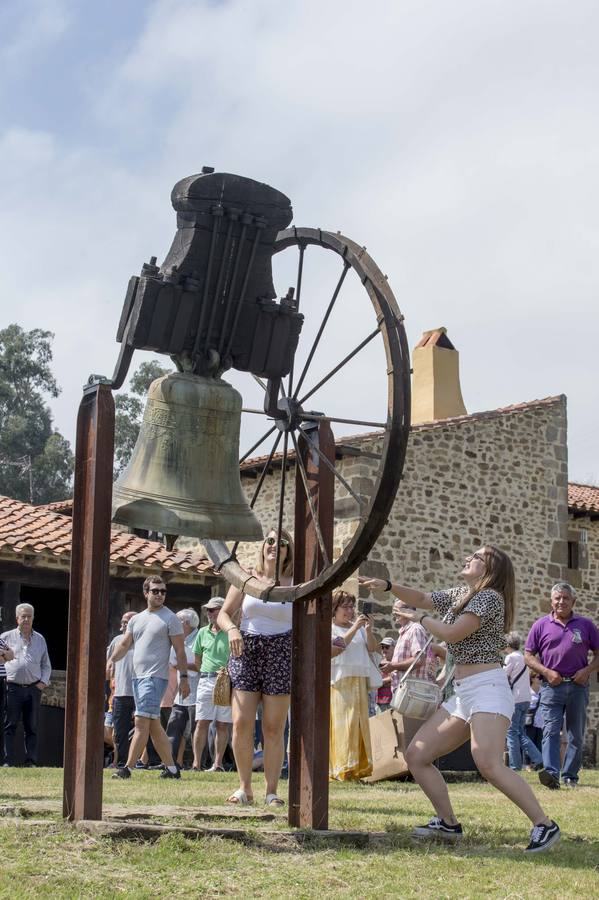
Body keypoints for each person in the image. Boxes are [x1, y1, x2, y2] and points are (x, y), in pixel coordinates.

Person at [359, 547, 561, 854]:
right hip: (464, 691)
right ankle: (448, 823)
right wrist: (389, 586)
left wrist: (421, 619)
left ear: (490, 569)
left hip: (488, 688)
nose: (468, 556)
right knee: (417, 755)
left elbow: (452, 633)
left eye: (477, 556)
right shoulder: (462, 593)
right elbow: (425, 598)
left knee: (487, 762)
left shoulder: (488, 597)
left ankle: (544, 824)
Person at [217, 527, 294, 806]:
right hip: (246, 648)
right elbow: (224, 615)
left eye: (281, 543)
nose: (274, 546)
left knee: (274, 728)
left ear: (288, 549)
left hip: (281, 651)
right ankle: (244, 788)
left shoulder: (295, 582)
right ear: (263, 546)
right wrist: (232, 631)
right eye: (270, 541)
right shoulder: (246, 577)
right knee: (241, 723)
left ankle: (271, 791)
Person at [108, 576, 189, 780]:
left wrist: (184, 678)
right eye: (155, 591)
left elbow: (180, 651)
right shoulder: (136, 619)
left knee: (141, 722)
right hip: (138, 678)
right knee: (153, 724)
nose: (160, 594)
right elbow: (125, 644)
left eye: (163, 591)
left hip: (155, 678)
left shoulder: (170, 618)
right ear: (146, 593)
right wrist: (111, 660)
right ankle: (172, 769)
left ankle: (127, 768)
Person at [524, 581, 599, 789]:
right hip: (551, 686)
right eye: (558, 597)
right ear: (551, 601)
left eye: (566, 598)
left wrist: (586, 671)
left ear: (573, 601)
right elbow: (528, 656)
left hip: (578, 686)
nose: (561, 601)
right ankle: (551, 775)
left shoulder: (586, 625)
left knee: (576, 733)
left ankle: (570, 776)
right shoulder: (541, 625)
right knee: (550, 730)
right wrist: (547, 672)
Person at [330, 590, 378, 780]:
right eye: (345, 607)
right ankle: (342, 768)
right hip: (340, 681)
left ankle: (358, 769)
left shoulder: (358, 629)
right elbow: (337, 647)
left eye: (352, 607)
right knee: (344, 725)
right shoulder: (330, 628)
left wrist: (368, 631)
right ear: (334, 609)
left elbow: (373, 649)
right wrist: (355, 628)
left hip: (359, 680)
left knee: (359, 726)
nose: (350, 611)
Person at [2, 603, 52, 767]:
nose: (26, 619)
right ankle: (7, 761)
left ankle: (30, 761)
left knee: (32, 727)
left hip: (33, 689)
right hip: (12, 688)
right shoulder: (5, 637)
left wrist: (42, 683)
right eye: (23, 616)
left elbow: (46, 664)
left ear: (33, 618)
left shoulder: (40, 639)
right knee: (9, 725)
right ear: (17, 618)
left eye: (29, 616)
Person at [382, 599, 437, 746]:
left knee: (413, 742)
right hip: (406, 695)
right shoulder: (405, 632)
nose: (394, 613)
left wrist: (393, 666)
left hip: (413, 695)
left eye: (397, 610)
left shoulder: (415, 629)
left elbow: (419, 660)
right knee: (407, 742)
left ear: (408, 611)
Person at [192, 597, 233, 772]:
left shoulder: (232, 632)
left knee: (222, 724)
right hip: (206, 679)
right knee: (202, 722)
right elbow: (197, 659)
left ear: (223, 610)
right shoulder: (202, 632)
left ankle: (218, 764)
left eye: (212, 610)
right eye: (207, 610)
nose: (208, 613)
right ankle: (196, 763)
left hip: (225, 680)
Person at [503, 632, 543, 772]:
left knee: (512, 733)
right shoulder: (522, 657)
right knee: (520, 732)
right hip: (526, 699)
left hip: (515, 699)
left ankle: (515, 767)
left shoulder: (511, 657)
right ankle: (538, 759)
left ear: (507, 644)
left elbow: (503, 677)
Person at [106, 611, 137, 769]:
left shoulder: (141, 641)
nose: (125, 624)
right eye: (124, 621)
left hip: (140, 691)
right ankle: (120, 761)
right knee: (119, 731)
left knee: (144, 727)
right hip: (121, 692)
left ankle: (142, 762)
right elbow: (108, 667)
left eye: (128, 621)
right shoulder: (116, 641)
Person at [0, 636, 15, 764]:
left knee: (2, 719)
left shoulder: (0, 641)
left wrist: (3, 654)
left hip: (1, 682)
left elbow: (11, 656)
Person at [376, 637, 395, 712]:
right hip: (380, 701)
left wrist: (381, 682)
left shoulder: (397, 662)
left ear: (394, 648)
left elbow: (395, 677)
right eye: (382, 647)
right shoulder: (379, 663)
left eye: (387, 647)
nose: (384, 650)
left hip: (393, 700)